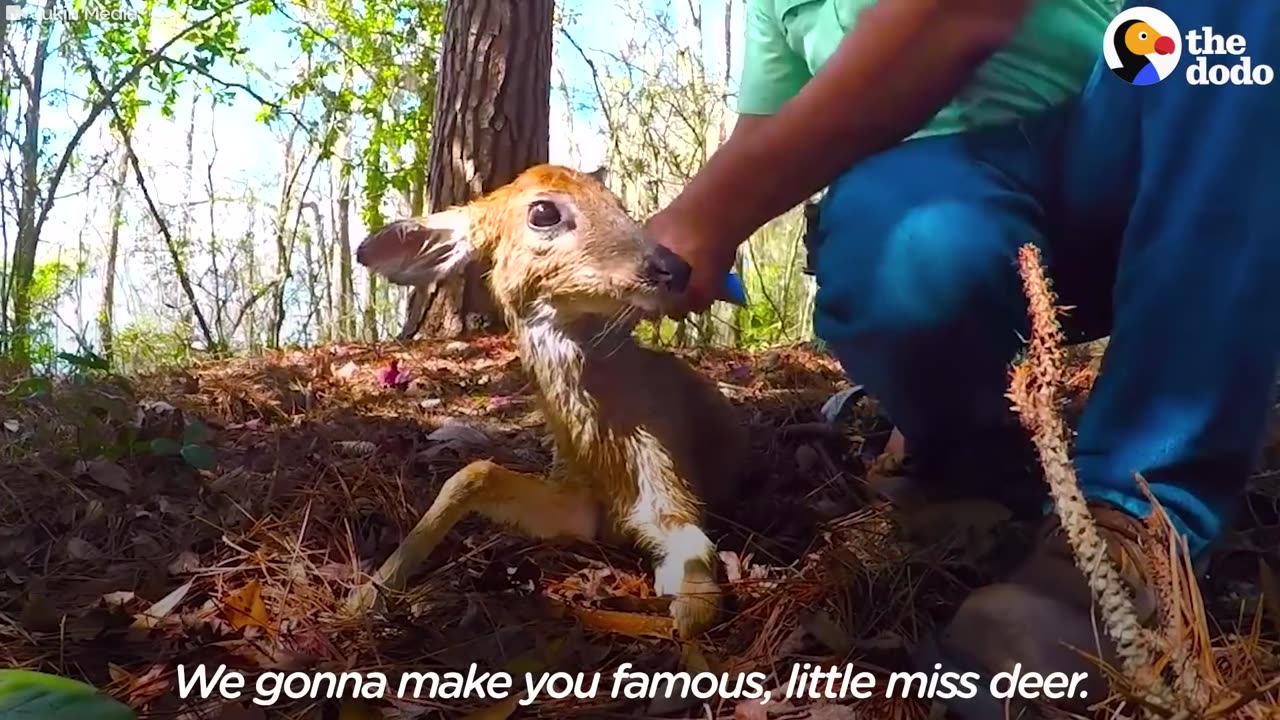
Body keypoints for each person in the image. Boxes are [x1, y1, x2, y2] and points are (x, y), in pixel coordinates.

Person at [644, 0, 1280, 715]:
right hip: (941, 186)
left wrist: (707, 214)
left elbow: (961, 13)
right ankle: (980, 469)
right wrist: (667, 250)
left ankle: (1137, 517)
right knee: (908, 247)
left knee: (1221, 24)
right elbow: (761, 137)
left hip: (1114, 150)